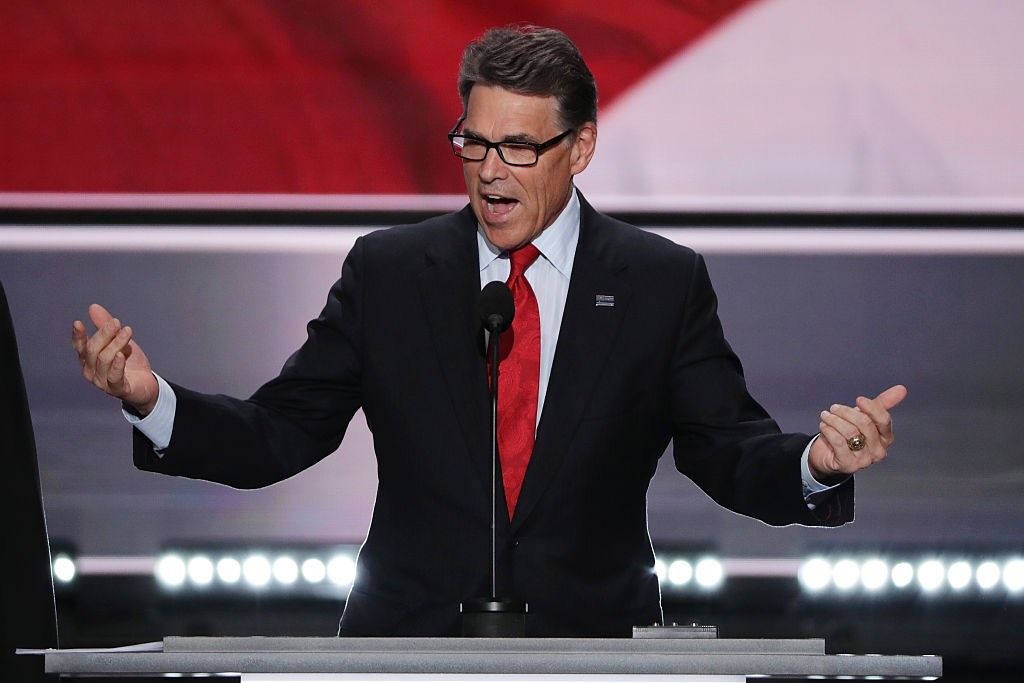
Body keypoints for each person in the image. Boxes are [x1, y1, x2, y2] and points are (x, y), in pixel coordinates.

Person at [72, 25, 905, 637]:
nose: (491, 171)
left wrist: (815, 463)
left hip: (592, 649)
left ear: (580, 148)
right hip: (408, 649)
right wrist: (153, 400)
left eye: (517, 146)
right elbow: (280, 433)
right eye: (473, 142)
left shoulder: (658, 281)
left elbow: (727, 449)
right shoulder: (390, 273)